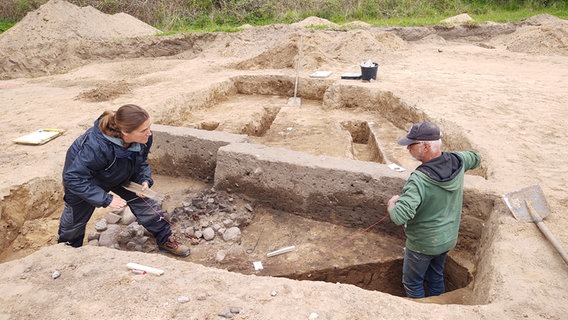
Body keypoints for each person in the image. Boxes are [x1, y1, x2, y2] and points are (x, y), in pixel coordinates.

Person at [57, 104, 190, 257]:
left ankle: (165, 239)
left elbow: (141, 162)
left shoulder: (145, 138)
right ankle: (67, 254)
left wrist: (143, 180)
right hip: (86, 180)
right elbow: (73, 178)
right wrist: (106, 198)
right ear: (125, 132)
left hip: (121, 172)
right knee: (74, 221)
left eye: (149, 127)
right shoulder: (94, 147)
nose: (149, 133)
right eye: (143, 130)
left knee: (146, 202)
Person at [386, 121, 480, 298]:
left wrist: (392, 204)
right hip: (447, 239)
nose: (408, 149)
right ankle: (438, 307)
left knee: (412, 282)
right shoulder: (458, 160)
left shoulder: (419, 180)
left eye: (411, 145)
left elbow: (399, 216)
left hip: (423, 244)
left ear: (426, 146)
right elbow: (475, 157)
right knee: (435, 277)